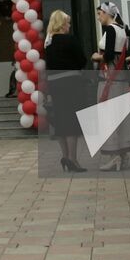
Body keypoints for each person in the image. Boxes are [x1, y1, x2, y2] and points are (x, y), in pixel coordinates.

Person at [42, 9, 90, 173]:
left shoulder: (48, 43)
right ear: (62, 24)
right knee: (72, 121)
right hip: (71, 82)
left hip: (54, 84)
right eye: (68, 22)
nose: (69, 25)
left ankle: (64, 156)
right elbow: (81, 60)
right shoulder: (69, 40)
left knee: (61, 120)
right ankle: (73, 159)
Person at [90, 2, 130, 171]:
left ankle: (115, 156)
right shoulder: (123, 30)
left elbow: (107, 56)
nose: (99, 17)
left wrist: (95, 56)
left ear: (107, 13)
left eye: (100, 13)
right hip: (121, 78)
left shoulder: (110, 30)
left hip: (110, 78)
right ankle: (122, 154)